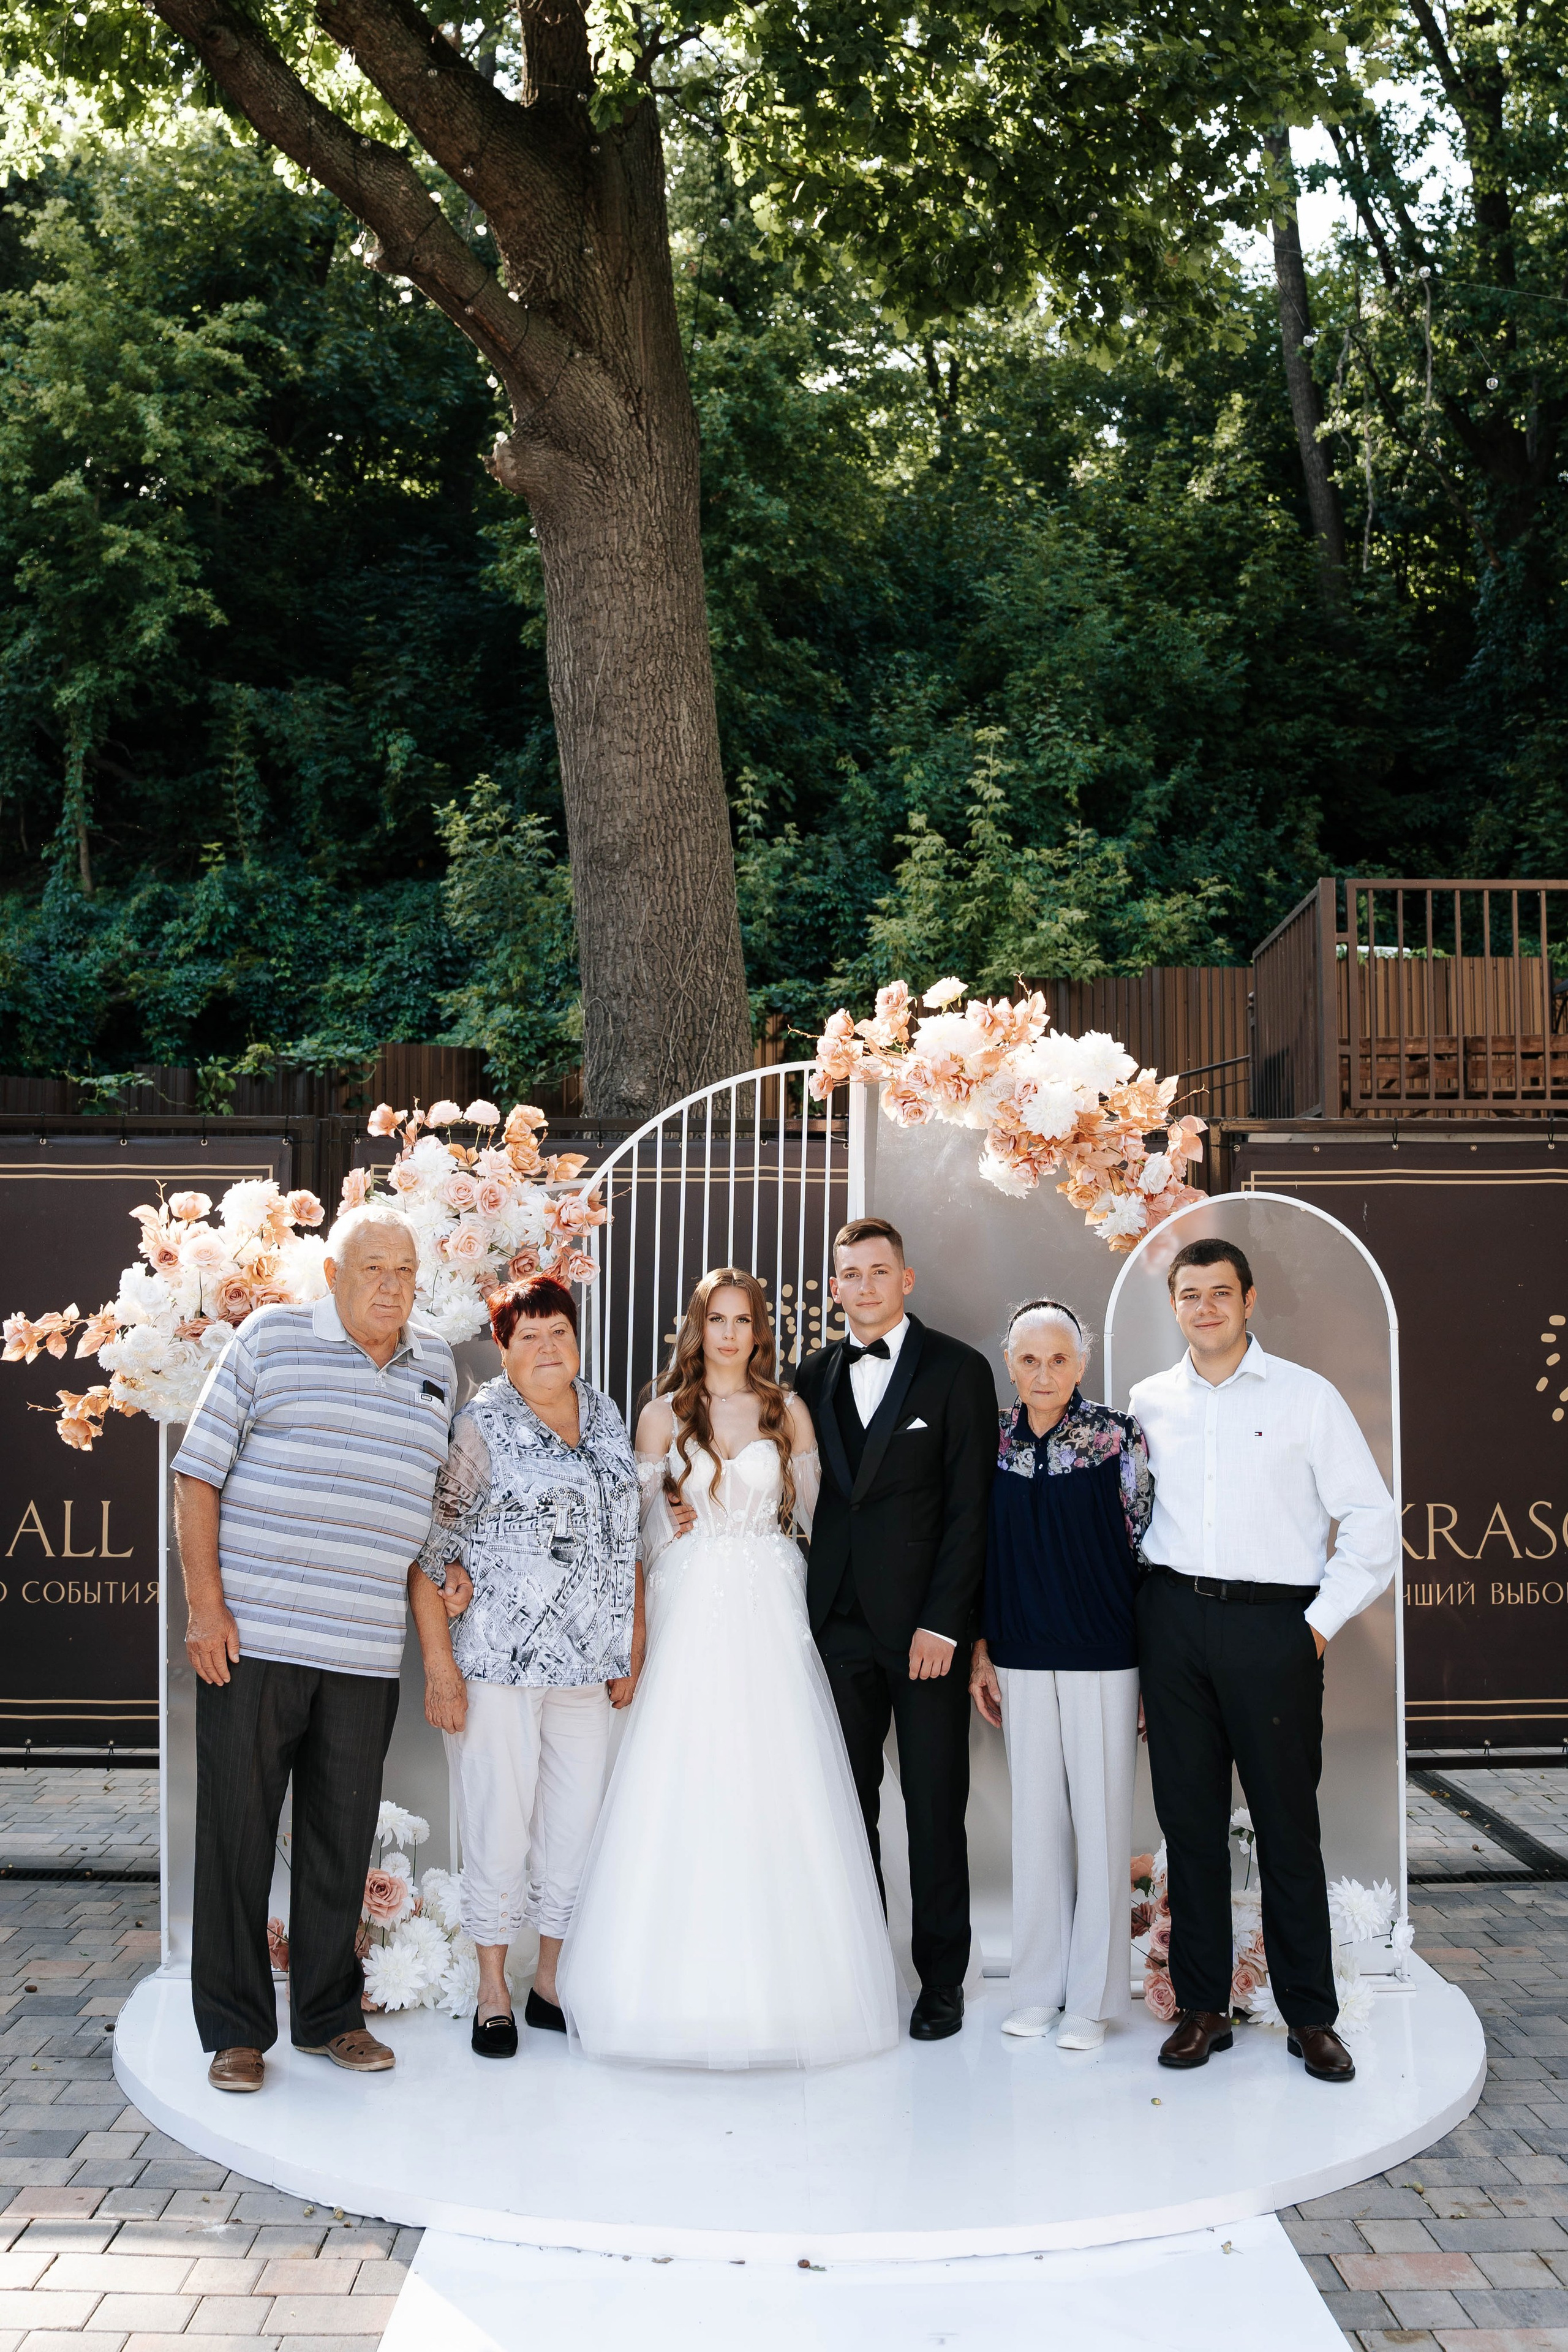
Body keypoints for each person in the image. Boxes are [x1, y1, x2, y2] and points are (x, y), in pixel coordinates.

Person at [557, 1268, 899, 2069]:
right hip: (688, 1601)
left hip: (771, 1606)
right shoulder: (659, 1415)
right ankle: (667, 1991)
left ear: (759, 1332)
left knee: (776, 1779)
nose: (730, 1334)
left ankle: (796, 1995)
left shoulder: (789, 1411)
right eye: (718, 1319)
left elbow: (822, 1526)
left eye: (744, 1320)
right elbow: (629, 1532)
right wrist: (664, 1516)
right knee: (685, 1774)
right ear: (697, 1328)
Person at [171, 1207, 456, 2093]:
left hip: (365, 1651)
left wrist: (450, 1568)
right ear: (333, 1274)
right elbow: (197, 1472)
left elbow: (437, 1502)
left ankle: (330, 2017)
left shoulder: (437, 1365)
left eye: (406, 1272)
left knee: (340, 1841)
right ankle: (235, 2031)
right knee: (238, 1835)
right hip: (255, 1640)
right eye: (374, 1269)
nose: (392, 1286)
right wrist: (206, 1609)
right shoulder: (271, 1339)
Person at [1131, 1236, 1396, 2084]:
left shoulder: (1306, 1398)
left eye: (1220, 1292)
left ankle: (1310, 2016)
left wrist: (1314, 1626)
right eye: (1189, 1294)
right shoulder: (1146, 1401)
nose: (1204, 1307)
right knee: (1192, 1828)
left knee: (1287, 1829)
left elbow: (1371, 1521)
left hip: (1274, 1628)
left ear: (1250, 1300)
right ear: (1173, 1305)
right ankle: (1204, 2009)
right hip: (1173, 1623)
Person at [406, 1274, 641, 2058]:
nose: (548, 1348)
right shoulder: (481, 1425)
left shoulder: (605, 1413)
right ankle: (492, 1989)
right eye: (530, 1335)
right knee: (499, 1826)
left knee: (573, 1830)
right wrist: (440, 1668)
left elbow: (624, 1539)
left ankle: (549, 1983)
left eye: (560, 1333)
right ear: (501, 1347)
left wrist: (628, 1642)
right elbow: (431, 1553)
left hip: (587, 1668)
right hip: (499, 1667)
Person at [792, 1218, 996, 2042]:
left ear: (905, 1280)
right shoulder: (810, 1375)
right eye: (850, 1274)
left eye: (880, 1272)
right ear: (835, 1285)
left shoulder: (959, 1371)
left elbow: (971, 1510)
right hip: (837, 1627)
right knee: (846, 1810)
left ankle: (940, 1982)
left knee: (934, 1808)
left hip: (926, 1639)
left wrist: (945, 1625)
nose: (865, 1286)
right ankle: (862, 1971)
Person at [970, 1300, 1152, 2052]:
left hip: (1105, 1654)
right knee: (1036, 1824)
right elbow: (976, 1551)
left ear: (1080, 1363)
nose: (1043, 1373)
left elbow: (1148, 1546)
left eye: (1058, 1359)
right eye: (1028, 1360)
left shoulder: (1117, 1436)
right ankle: (1038, 1990)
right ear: (1010, 1363)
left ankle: (1093, 2001)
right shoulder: (992, 1439)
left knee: (1103, 1826)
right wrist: (982, 1650)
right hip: (1017, 1652)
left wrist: (1151, 1669)